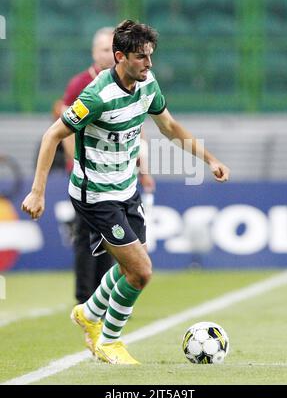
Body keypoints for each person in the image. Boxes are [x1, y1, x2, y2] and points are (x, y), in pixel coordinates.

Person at [21, 19, 230, 365]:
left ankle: (88, 313)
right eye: (141, 57)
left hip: (126, 188)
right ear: (120, 57)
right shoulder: (96, 96)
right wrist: (37, 192)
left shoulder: (148, 86)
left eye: (151, 56)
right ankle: (109, 340)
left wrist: (210, 159)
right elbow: (52, 135)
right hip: (95, 194)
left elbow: (170, 127)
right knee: (141, 271)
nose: (149, 64)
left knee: (130, 265)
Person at [61, 27, 155, 304]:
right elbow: (62, 129)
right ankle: (84, 298)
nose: (106, 55)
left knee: (112, 247)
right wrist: (75, 162)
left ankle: (100, 300)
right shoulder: (83, 85)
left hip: (119, 179)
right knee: (84, 239)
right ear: (95, 53)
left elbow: (137, 127)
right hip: (89, 180)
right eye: (102, 50)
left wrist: (144, 168)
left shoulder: (132, 83)